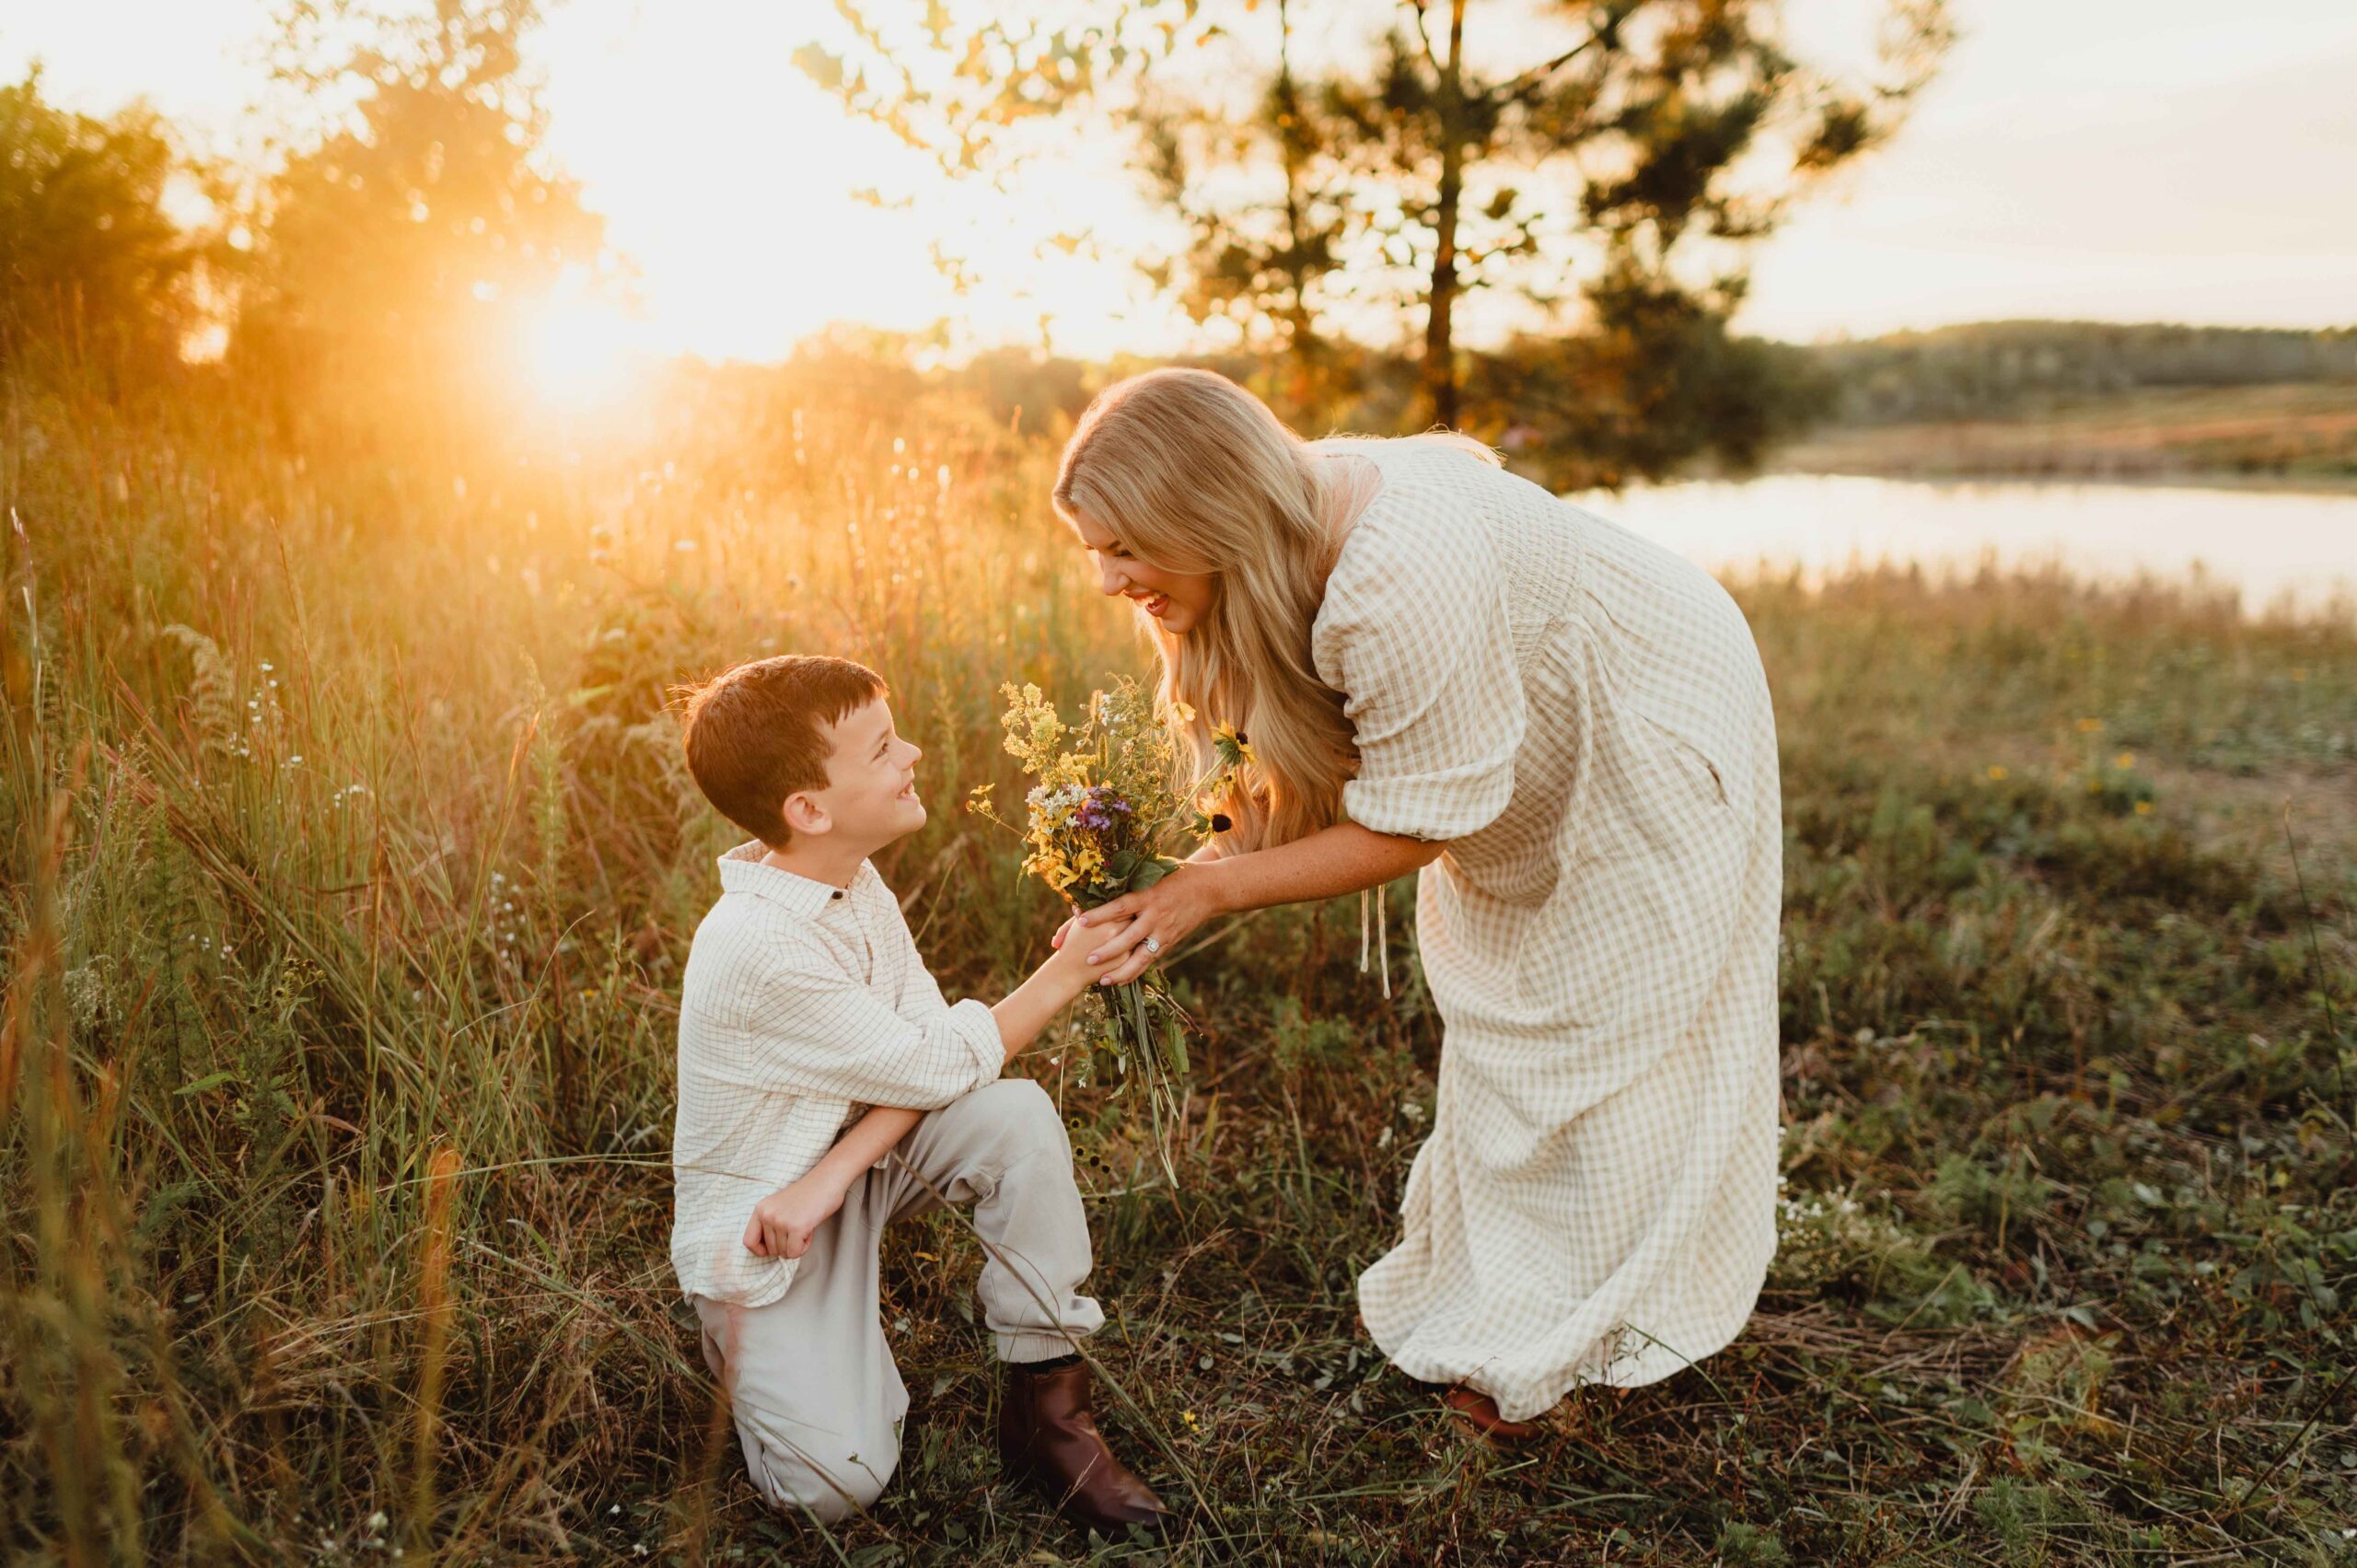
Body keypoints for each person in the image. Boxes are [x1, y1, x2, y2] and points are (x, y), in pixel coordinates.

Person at [1052, 368, 1783, 1439]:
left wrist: (1210, 892)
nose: (1111, 578)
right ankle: (1518, 1290)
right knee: (1506, 997)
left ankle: (1588, 1334)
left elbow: (1412, 826)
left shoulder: (1393, 576)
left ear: (1204, 510)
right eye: (1093, 549)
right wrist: (1181, 865)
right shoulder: (1271, 532)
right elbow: (1253, 761)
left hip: (1645, 706)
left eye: (1128, 545)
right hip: (1529, 725)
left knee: (1603, 1014)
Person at [669, 653, 1172, 1533]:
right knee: (836, 1481)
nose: (915, 752)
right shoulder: (758, 945)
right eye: (882, 746)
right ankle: (753, 1349)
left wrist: (832, 1176)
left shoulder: (850, 883)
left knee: (1015, 1116)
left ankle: (1048, 1412)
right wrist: (1067, 969)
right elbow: (936, 1065)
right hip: (766, 1236)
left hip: (824, 1179)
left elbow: (932, 1059)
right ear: (809, 810)